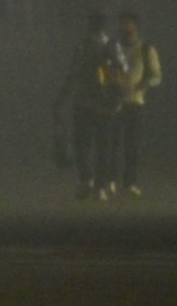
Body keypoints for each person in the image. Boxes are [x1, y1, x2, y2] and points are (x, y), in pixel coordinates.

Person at [53, 12, 126, 202]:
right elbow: (122, 71)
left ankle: (87, 181)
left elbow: (73, 74)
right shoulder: (113, 45)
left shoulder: (83, 46)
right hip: (107, 104)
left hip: (84, 102)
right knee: (104, 146)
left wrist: (62, 98)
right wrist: (119, 96)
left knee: (83, 144)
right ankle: (100, 187)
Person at [110, 12, 163, 198]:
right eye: (122, 24)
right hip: (114, 102)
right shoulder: (113, 49)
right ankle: (111, 181)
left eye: (128, 25)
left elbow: (156, 75)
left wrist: (142, 86)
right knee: (112, 143)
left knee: (131, 145)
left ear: (136, 28)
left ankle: (130, 182)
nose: (125, 28)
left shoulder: (146, 49)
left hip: (135, 102)